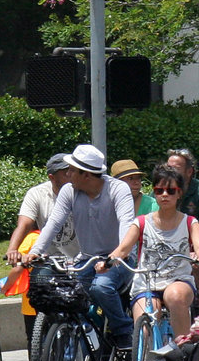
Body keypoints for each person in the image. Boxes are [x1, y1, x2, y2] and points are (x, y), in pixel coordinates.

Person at [24, 144, 136, 349]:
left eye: (72, 170)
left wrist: (114, 258)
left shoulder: (118, 189)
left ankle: (122, 332)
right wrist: (35, 252)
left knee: (101, 287)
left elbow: (127, 226)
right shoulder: (69, 191)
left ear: (86, 175)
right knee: (70, 298)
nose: (68, 174)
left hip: (120, 259)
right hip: (87, 259)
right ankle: (79, 357)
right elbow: (53, 224)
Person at [105, 164, 199, 338]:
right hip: (146, 283)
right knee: (145, 321)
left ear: (179, 193)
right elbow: (123, 249)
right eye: (159, 190)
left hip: (178, 280)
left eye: (170, 190)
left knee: (175, 296)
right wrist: (107, 262)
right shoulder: (141, 222)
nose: (164, 195)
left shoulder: (190, 222)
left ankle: (183, 352)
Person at [5, 153, 80, 266]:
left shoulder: (82, 192)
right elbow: (24, 224)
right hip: (50, 259)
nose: (71, 175)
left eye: (72, 171)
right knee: (38, 281)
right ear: (52, 177)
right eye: (66, 173)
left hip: (82, 258)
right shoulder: (37, 194)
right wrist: (12, 249)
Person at [167, 148, 199, 313]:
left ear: (189, 172)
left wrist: (198, 250)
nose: (170, 172)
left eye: (176, 168)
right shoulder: (163, 190)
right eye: (168, 167)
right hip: (172, 243)